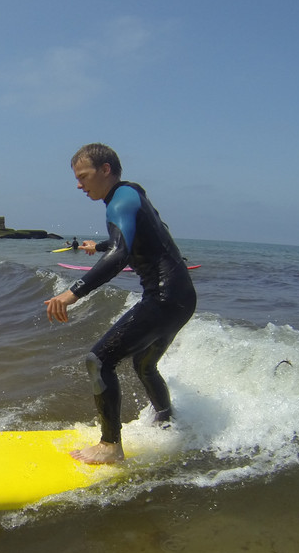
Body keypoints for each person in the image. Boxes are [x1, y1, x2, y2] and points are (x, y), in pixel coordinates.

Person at [44, 143, 197, 464]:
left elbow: (121, 253)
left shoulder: (118, 202)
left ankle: (110, 445)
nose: (79, 184)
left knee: (98, 360)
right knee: (144, 364)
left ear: (106, 170)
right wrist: (98, 245)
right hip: (183, 297)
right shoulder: (132, 195)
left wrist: (72, 293)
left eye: (83, 176)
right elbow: (140, 238)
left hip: (165, 296)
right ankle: (167, 422)